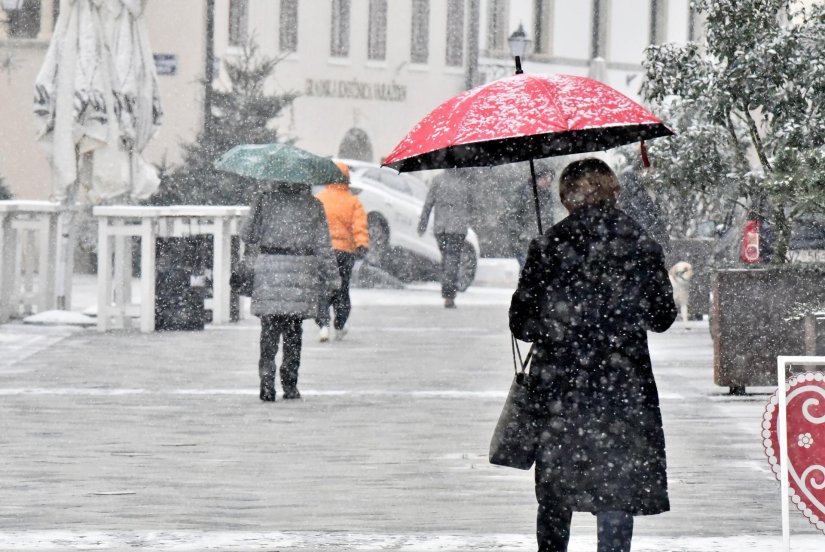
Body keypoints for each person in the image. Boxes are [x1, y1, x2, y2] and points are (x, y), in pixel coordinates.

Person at [509, 158, 677, 552]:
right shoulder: (639, 243)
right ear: (613, 191)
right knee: (616, 488)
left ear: (567, 197)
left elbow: (522, 324)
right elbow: (662, 317)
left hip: (562, 389)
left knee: (556, 490)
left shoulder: (549, 245)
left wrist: (553, 312)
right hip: (622, 388)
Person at [240, 182, 340, 402]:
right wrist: (333, 277)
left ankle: (267, 383)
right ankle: (290, 384)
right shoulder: (313, 205)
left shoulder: (265, 200)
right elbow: (323, 246)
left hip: (269, 270)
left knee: (269, 330)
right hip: (300, 271)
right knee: (293, 331)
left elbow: (247, 234)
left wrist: (257, 206)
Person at [315, 161, 369, 342]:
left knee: (323, 288)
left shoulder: (320, 199)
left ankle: (323, 325)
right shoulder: (353, 201)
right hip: (345, 252)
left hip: (324, 252)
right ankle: (340, 324)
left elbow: (313, 225)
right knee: (342, 289)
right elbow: (359, 226)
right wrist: (361, 245)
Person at [417, 168, 473, 308]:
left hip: (441, 228)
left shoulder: (437, 180)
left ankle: (448, 291)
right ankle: (449, 295)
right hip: (457, 228)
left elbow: (428, 203)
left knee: (446, 259)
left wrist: (423, 223)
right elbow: (472, 206)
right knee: (452, 260)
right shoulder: (465, 182)